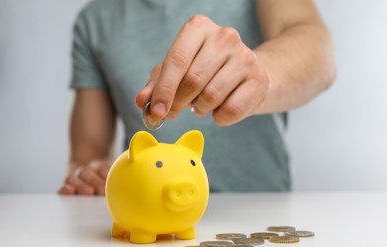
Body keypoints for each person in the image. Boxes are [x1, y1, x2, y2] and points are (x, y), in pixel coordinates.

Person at [59, 0, 336, 195]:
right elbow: (87, 153)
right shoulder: (94, 20)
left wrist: (256, 75)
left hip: (258, 215)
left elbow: (317, 51)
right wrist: (90, 175)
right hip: (151, 218)